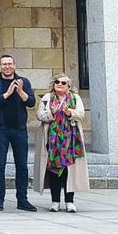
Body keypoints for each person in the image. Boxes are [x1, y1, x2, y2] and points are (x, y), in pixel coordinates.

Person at [0, 54, 36, 212]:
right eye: (4, 64)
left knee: (22, 165)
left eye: (10, 64)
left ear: (14, 65)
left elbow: (31, 102)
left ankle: (22, 199)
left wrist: (20, 91)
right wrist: (6, 94)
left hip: (19, 129)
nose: (7, 67)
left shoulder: (24, 82)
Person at [37, 75, 88, 212]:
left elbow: (81, 114)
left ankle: (69, 201)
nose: (59, 84)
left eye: (63, 82)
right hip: (52, 139)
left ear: (68, 86)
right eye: (57, 82)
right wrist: (51, 113)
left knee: (68, 171)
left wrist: (69, 111)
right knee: (53, 170)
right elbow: (39, 115)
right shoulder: (47, 98)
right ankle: (55, 202)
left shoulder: (75, 98)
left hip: (70, 139)